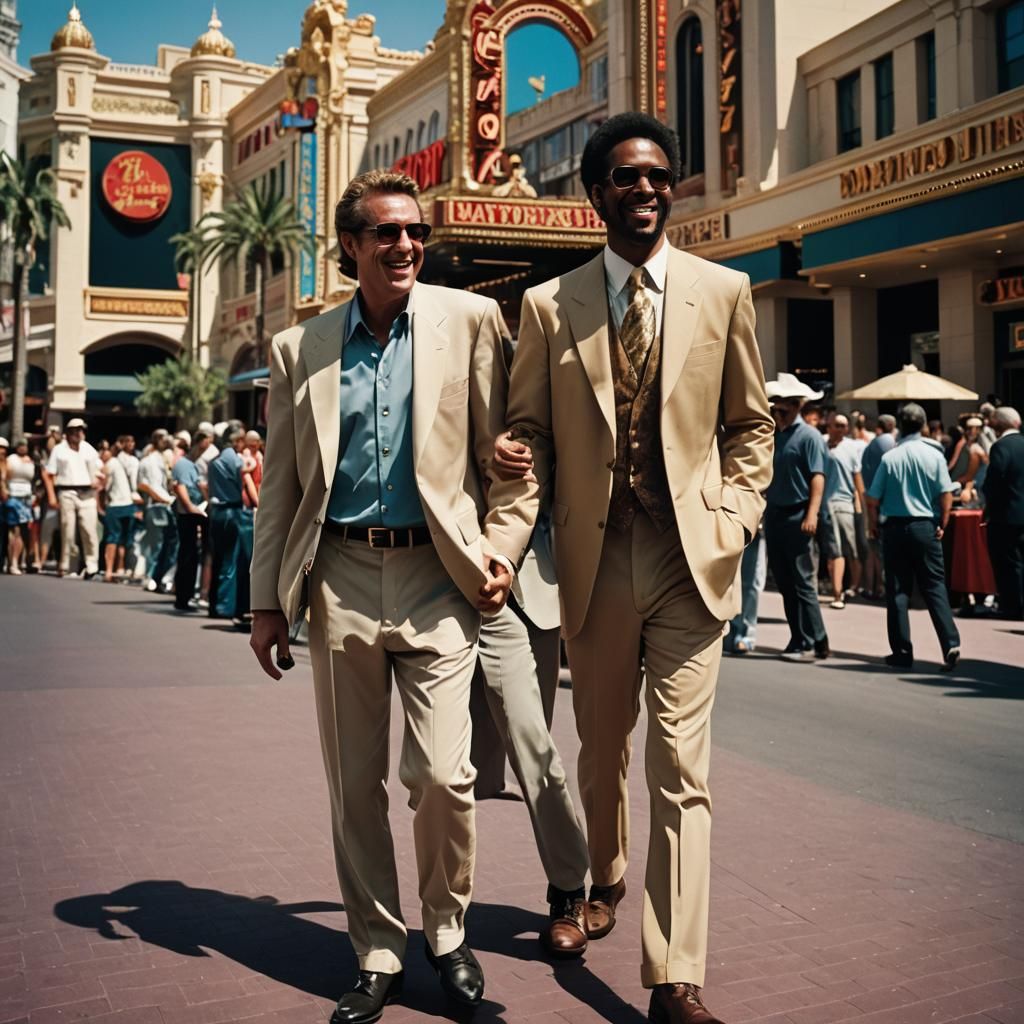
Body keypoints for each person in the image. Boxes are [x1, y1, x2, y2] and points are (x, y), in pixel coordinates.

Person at [497, 112, 773, 1024]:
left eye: (658, 175)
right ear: (596, 194)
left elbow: (750, 426)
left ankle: (675, 974)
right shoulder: (548, 305)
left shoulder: (724, 290)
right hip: (592, 555)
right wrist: (515, 461)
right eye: (626, 177)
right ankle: (603, 883)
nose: (645, 189)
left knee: (681, 768)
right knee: (603, 747)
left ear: (673, 185)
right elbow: (531, 425)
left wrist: (733, 517)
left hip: (691, 558)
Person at [248, 169, 537, 1024]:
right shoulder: (301, 349)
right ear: (352, 246)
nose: (407, 245)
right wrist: (268, 602)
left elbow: (514, 456)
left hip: (439, 578)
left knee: (446, 777)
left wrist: (504, 549)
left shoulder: (473, 320)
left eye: (415, 232)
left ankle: (447, 933)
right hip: (338, 575)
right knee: (353, 784)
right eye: (387, 233)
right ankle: (376, 949)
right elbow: (282, 489)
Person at [865, 402, 960, 671]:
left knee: (898, 590)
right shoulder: (935, 455)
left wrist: (873, 524)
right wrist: (943, 521)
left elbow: (872, 498)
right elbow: (945, 494)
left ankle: (902, 652)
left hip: (895, 528)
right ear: (923, 425)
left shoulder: (891, 457)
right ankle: (950, 642)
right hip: (924, 527)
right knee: (934, 586)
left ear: (900, 424)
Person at [763, 374, 830, 661]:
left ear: (796, 406)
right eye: (774, 408)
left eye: (781, 409)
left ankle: (816, 638)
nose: (777, 413)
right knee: (785, 582)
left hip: (798, 514)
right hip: (776, 514)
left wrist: (811, 514)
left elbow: (818, 477)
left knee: (803, 581)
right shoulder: (776, 436)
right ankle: (798, 637)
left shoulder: (810, 436)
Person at [43, 418, 102, 579]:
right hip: (67, 491)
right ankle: (67, 565)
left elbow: (100, 471)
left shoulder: (89, 449)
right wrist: (51, 496)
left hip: (88, 493)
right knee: (67, 530)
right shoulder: (59, 450)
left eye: (80, 429)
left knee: (89, 530)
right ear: (68, 432)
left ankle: (92, 566)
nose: (78, 433)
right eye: (75, 430)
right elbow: (49, 473)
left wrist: (99, 483)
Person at [982, 406, 1024, 620]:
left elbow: (994, 481)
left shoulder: (1000, 447)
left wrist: (988, 507)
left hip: (1007, 516)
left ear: (999, 423)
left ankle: (1013, 606)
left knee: (1008, 563)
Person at [821, 413, 864, 609]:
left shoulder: (852, 448)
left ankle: (853, 586)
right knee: (834, 549)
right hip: (825, 505)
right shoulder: (820, 444)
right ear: (828, 426)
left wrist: (860, 504)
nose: (840, 429)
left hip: (845, 504)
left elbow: (858, 479)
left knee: (851, 547)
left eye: (843, 426)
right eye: (837, 425)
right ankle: (837, 591)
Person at [207, 427, 250, 620]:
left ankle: (213, 603)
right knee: (230, 560)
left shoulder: (214, 461)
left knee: (217, 558)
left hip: (216, 511)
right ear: (236, 441)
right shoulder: (235, 460)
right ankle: (225, 605)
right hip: (232, 511)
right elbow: (242, 482)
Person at [172, 430, 212, 612]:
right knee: (187, 554)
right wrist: (190, 507)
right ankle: (182, 596)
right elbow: (179, 487)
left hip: (197, 511)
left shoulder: (194, 465)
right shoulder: (183, 464)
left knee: (193, 554)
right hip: (188, 514)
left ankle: (186, 594)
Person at [859, 414, 897, 600]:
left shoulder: (872, 444)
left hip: (870, 499)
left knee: (873, 547)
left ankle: (872, 586)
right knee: (883, 548)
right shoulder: (889, 443)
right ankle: (882, 586)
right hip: (884, 502)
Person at [137, 431, 178, 593]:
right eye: (162, 439)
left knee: (168, 544)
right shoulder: (147, 461)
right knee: (155, 544)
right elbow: (142, 484)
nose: (165, 441)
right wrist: (158, 497)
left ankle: (158, 577)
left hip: (166, 504)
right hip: (155, 505)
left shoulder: (163, 459)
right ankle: (150, 577)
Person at [724, 520, 766, 654]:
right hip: (727, 520)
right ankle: (728, 634)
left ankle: (745, 635)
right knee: (726, 578)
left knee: (750, 581)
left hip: (752, 520)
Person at [98, 444, 137, 582]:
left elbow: (102, 485)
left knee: (112, 537)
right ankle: (119, 568)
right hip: (128, 504)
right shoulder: (120, 464)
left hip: (115, 505)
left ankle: (109, 570)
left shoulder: (111, 464)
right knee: (123, 538)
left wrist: (99, 504)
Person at [5, 438, 36, 574]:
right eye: (20, 445)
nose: (23, 448)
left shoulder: (31, 461)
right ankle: (11, 561)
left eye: (25, 445)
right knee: (14, 530)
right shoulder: (11, 459)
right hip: (13, 496)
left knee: (24, 531)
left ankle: (17, 561)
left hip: (26, 497)